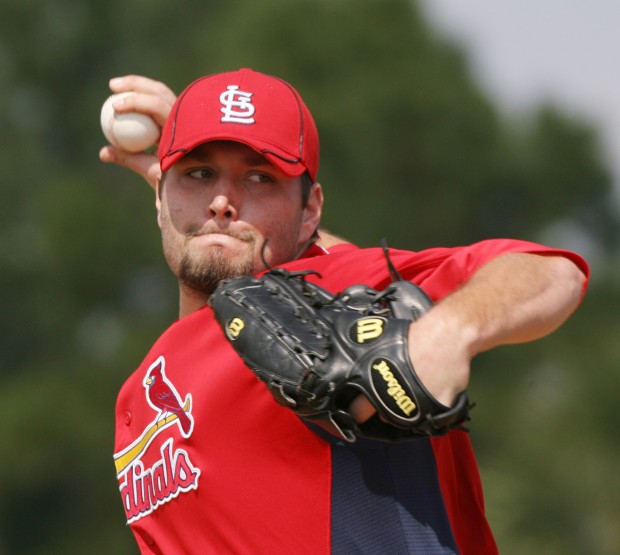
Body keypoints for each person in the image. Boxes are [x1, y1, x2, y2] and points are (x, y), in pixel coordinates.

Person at [102, 69, 588, 554]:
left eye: (259, 177)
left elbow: (547, 272)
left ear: (311, 211)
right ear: (161, 197)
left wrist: (451, 330)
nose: (223, 201)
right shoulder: (137, 394)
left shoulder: (327, 296)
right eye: (199, 174)